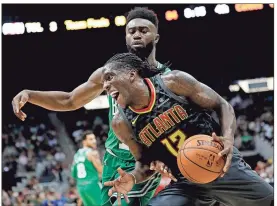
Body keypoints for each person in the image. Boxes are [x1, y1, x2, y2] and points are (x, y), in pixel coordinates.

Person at [12, 7, 173, 206]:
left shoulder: (169, 79)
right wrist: (30, 95)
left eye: (143, 30)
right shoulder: (108, 72)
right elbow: (69, 100)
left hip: (142, 163)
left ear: (156, 37)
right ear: (125, 37)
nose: (137, 35)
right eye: (132, 31)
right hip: (112, 160)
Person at [102, 53, 274, 206]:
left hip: (219, 164)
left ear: (132, 74)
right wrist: (132, 178)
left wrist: (228, 138)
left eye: (109, 77)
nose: (105, 86)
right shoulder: (120, 123)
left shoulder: (174, 83)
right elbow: (145, 163)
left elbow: (221, 105)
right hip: (184, 182)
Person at [71, 131, 103, 206]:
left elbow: (74, 174)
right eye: (91, 139)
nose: (94, 141)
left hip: (81, 187)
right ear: (84, 141)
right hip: (93, 185)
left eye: (94, 139)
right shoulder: (92, 153)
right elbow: (101, 170)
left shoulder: (77, 155)